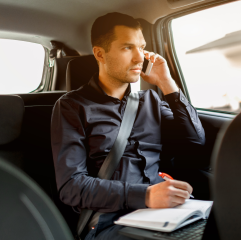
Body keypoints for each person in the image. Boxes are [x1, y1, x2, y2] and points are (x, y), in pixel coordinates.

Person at [51, 12, 205, 240]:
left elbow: (195, 142)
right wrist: (145, 195)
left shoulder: (150, 101)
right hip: (109, 220)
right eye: (127, 48)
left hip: (164, 212)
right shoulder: (72, 107)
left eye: (141, 48)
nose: (139, 58)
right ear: (100, 54)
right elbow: (71, 186)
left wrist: (167, 83)